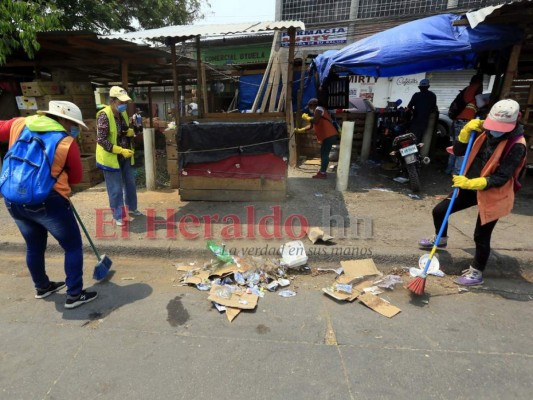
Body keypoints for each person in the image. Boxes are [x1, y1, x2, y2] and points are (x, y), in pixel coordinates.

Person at [418, 99, 527, 286]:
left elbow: (501, 178)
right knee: (440, 211)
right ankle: (440, 239)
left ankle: (477, 272)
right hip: (470, 185)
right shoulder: (482, 130)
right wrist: (466, 131)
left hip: (493, 191)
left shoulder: (517, 145)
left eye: (501, 127)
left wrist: (470, 182)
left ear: (514, 122)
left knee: (481, 236)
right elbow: (459, 151)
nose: (496, 130)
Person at [0, 101, 98, 309]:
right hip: (48, 201)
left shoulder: (19, 124)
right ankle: (74, 294)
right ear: (63, 119)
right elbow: (78, 177)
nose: (74, 129)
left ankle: (42, 287)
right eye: (73, 124)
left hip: (13, 199)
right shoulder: (65, 142)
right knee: (72, 246)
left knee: (34, 245)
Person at [96, 86, 141, 226]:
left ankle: (132, 208)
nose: (124, 105)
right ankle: (118, 215)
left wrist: (128, 132)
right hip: (110, 157)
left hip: (125, 155)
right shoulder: (104, 115)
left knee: (130, 183)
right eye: (121, 102)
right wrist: (120, 150)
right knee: (115, 188)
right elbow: (101, 140)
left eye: (125, 102)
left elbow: (120, 130)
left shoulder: (123, 113)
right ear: (112, 100)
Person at [445, 74, 484, 175]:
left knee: (454, 146)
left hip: (457, 121)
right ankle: (457, 172)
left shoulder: (467, 89)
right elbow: (480, 104)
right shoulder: (477, 90)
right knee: (462, 148)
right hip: (465, 122)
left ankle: (449, 169)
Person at [294, 98, 339, 179]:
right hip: (329, 135)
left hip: (329, 135)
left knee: (324, 154)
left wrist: (307, 118)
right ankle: (322, 170)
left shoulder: (319, 109)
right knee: (323, 153)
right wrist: (301, 130)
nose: (310, 108)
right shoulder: (317, 112)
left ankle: (322, 173)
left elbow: (315, 121)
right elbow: (311, 125)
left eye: (310, 106)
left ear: (314, 105)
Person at [406, 78, 438, 144]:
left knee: (414, 138)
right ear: (428, 87)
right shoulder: (432, 95)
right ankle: (418, 151)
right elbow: (433, 109)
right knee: (422, 138)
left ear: (419, 87)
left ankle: (413, 152)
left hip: (416, 121)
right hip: (426, 121)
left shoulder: (416, 95)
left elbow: (409, 107)